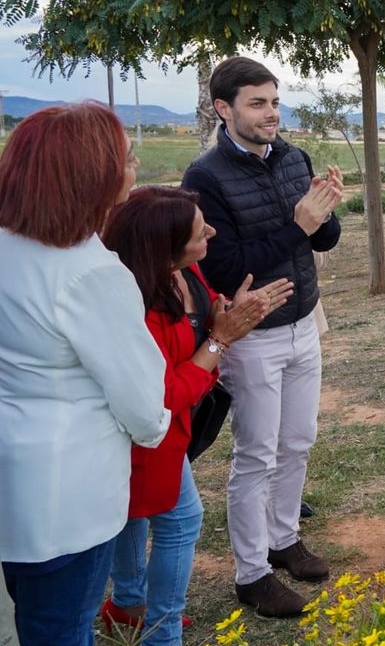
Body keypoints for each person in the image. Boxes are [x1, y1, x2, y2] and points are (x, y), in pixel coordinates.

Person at [0, 103, 170, 646]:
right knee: (63, 629)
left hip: (14, 480)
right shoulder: (90, 272)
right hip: (68, 497)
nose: (135, 165)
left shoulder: (10, 246)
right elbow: (143, 406)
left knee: (34, 616)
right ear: (90, 174)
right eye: (125, 157)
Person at [181, 56, 343, 618]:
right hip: (251, 336)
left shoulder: (294, 157)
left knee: (298, 440)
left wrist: (324, 212)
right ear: (224, 109)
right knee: (256, 454)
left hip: (303, 322)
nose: (271, 112)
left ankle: (284, 539)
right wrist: (298, 223)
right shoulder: (204, 178)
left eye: (274, 101)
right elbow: (225, 270)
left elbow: (323, 242)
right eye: (258, 103)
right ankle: (251, 574)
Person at [99, 187, 294, 644]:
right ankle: (163, 631)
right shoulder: (139, 310)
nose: (211, 230)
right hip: (145, 434)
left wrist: (227, 313)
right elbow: (165, 395)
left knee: (133, 516)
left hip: (162, 435)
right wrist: (220, 341)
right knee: (181, 519)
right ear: (163, 247)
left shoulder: (183, 274)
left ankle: (128, 604)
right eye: (197, 229)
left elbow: (202, 322)